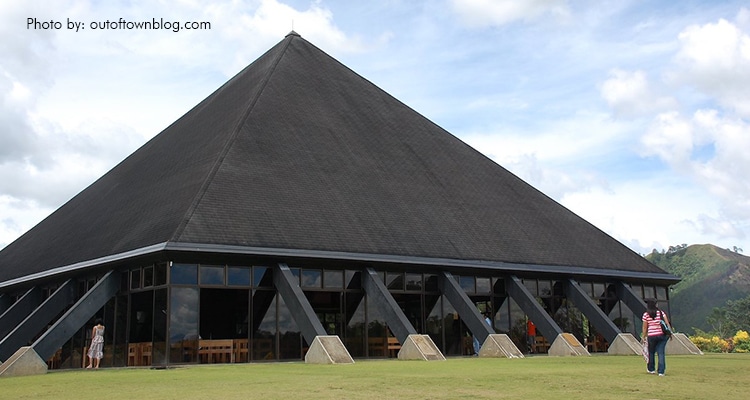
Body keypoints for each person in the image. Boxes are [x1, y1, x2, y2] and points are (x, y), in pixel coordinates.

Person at [641, 299, 672, 376]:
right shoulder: (661, 313)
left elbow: (645, 328)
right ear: (656, 305)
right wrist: (670, 333)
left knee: (651, 352)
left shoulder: (646, 314)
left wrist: (643, 337)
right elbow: (667, 323)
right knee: (661, 352)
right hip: (662, 335)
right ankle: (661, 371)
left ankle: (651, 369)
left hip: (651, 335)